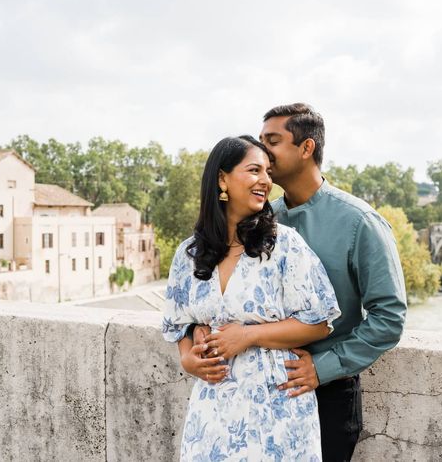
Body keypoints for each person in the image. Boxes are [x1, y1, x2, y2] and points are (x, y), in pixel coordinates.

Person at [195, 104, 408, 461]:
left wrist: (321, 368)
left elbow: (389, 319)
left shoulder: (360, 222)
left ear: (306, 148)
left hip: (327, 394)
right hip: (255, 396)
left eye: (273, 141)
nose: (263, 151)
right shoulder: (261, 219)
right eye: (260, 142)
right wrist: (199, 333)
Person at [162, 135, 341, 461]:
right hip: (212, 412)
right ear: (222, 178)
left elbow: (320, 322)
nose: (266, 181)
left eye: (268, 172)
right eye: (254, 170)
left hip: (276, 410)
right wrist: (188, 359)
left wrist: (248, 335)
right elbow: (179, 324)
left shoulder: (285, 244)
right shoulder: (189, 254)